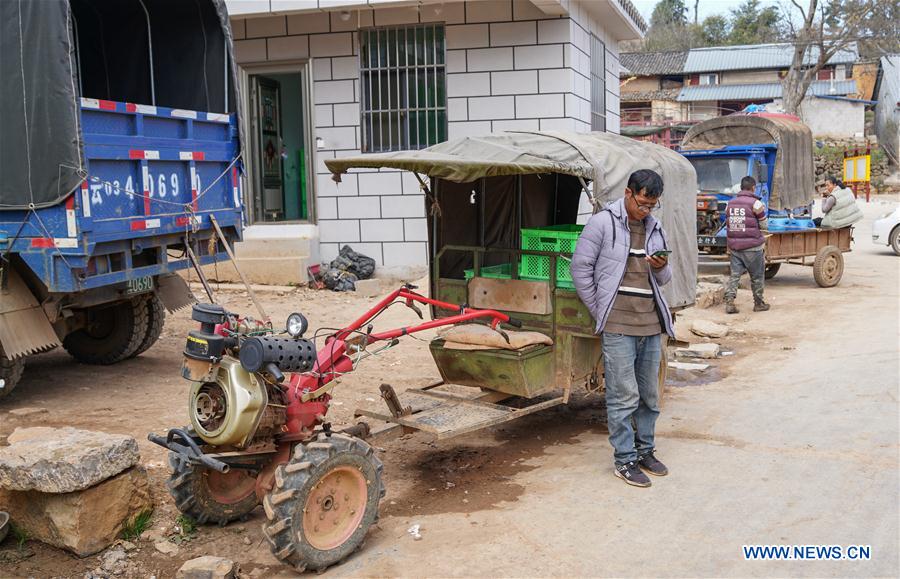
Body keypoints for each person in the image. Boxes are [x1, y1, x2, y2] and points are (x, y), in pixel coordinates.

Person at [571, 169, 674, 488]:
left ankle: (645, 451)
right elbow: (580, 268)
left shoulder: (655, 228)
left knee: (650, 395)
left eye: (652, 205)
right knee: (622, 394)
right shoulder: (602, 223)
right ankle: (624, 459)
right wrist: (601, 307)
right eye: (643, 203)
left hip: (650, 322)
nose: (646, 210)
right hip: (618, 323)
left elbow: (665, 279)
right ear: (628, 193)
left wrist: (661, 266)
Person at [724, 176, 769, 314]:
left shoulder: (730, 204)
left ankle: (730, 303)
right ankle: (759, 303)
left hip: (735, 247)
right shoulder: (756, 204)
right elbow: (764, 225)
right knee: (757, 276)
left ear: (741, 188)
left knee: (734, 276)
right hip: (753, 248)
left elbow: (728, 223)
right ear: (753, 188)